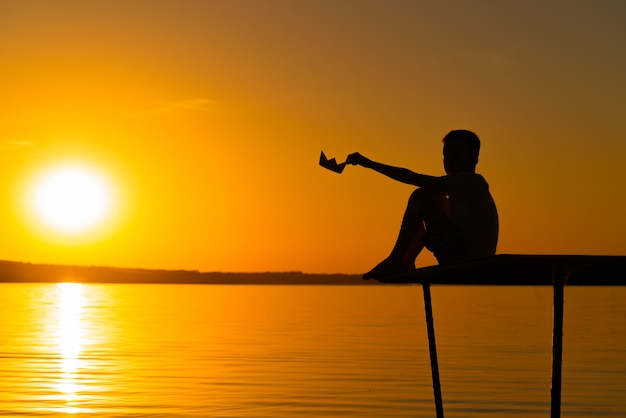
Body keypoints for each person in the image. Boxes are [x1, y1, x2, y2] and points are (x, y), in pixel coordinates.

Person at [346, 129, 499, 279]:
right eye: (446, 156)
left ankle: (396, 260)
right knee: (432, 196)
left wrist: (368, 163)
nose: (449, 161)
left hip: (467, 261)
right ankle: (406, 260)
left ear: (474, 159)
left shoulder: (470, 181)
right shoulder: (465, 189)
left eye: (456, 156)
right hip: (464, 256)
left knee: (420, 196)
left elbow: (412, 178)